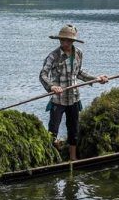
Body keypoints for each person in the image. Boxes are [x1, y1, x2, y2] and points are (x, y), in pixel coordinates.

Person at [39, 24, 108, 161]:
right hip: (58, 100)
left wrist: (96, 79)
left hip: (74, 98)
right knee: (53, 130)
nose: (65, 43)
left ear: (72, 41)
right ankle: (50, 159)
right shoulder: (53, 56)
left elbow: (79, 73)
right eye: (62, 40)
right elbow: (43, 75)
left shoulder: (78, 54)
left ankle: (73, 158)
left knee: (73, 130)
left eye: (68, 40)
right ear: (59, 40)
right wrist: (52, 87)